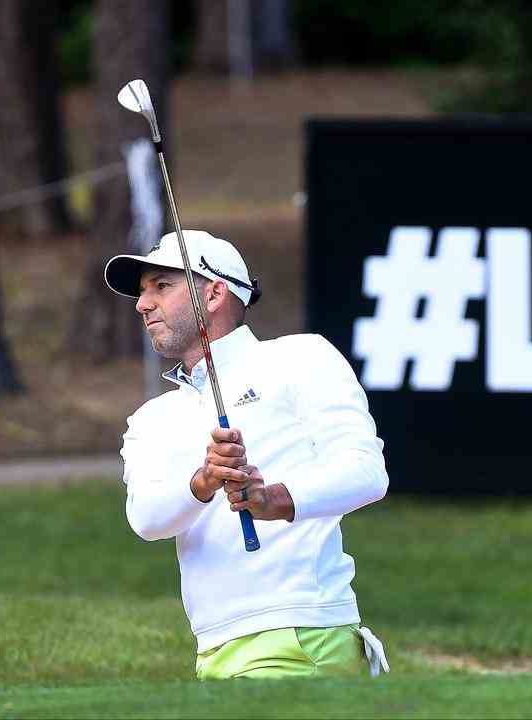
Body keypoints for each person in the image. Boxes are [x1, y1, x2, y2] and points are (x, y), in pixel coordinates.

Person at [104, 229, 390, 680]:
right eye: (142, 292)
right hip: (212, 650)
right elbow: (146, 519)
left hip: (302, 631)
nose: (143, 304)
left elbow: (367, 471)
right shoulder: (149, 419)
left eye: (162, 286)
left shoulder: (302, 357)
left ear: (215, 292)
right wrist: (201, 482)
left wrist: (272, 499)